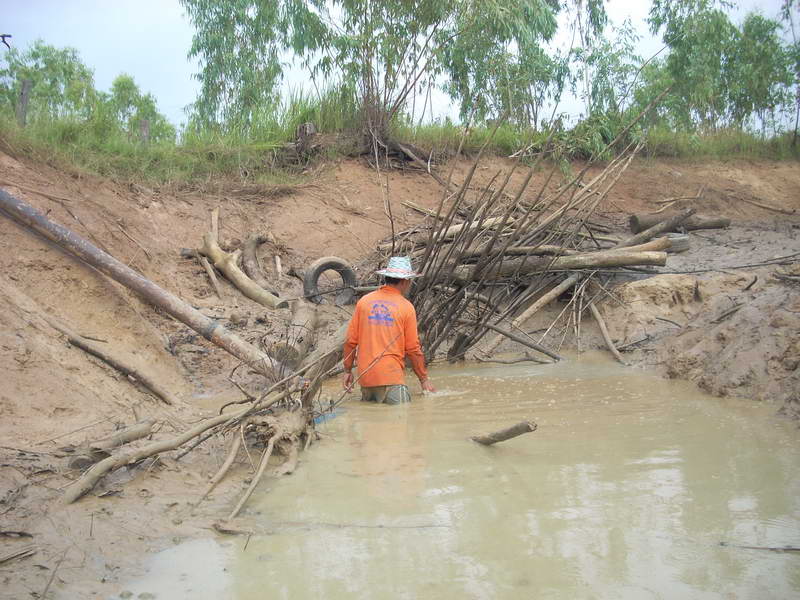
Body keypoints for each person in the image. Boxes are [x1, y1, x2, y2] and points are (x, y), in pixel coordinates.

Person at [342, 256, 435, 404]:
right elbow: (413, 349)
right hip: (391, 378)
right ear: (405, 281)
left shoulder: (364, 302)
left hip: (366, 379)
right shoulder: (406, 307)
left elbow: (350, 341)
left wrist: (347, 371)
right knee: (401, 419)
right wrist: (424, 379)